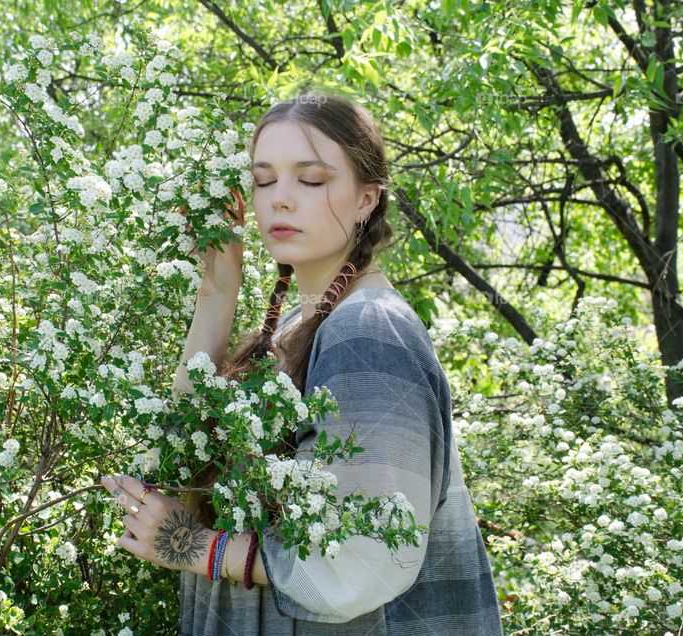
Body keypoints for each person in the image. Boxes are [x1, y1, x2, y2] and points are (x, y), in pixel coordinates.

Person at [101, 91, 503, 635]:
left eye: (311, 180)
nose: (279, 200)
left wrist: (197, 547)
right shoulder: (300, 323)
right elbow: (173, 458)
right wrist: (217, 294)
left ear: (367, 198)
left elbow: (363, 559)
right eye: (263, 180)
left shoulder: (366, 332)